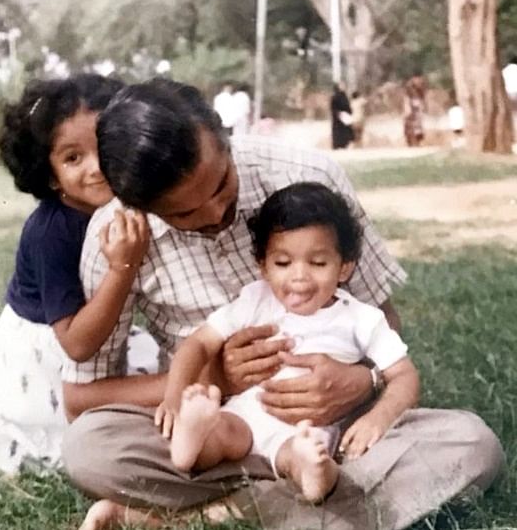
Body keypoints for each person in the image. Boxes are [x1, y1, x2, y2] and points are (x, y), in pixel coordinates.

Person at [60, 78, 504, 530]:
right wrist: (216, 378)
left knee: (471, 445)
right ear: (138, 206)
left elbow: (380, 317)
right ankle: (314, 509)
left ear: (224, 138)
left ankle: (214, 515)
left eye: (222, 185)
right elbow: (80, 399)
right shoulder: (115, 241)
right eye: (185, 215)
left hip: (329, 432)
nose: (217, 215)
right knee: (90, 446)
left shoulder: (306, 174)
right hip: (218, 433)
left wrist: (363, 380)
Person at [0, 73, 152, 474]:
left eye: (105, 147)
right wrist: (123, 267)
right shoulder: (51, 232)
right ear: (48, 174)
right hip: (50, 357)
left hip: (99, 332)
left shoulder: (122, 206)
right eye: (73, 158)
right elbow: (76, 345)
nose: (96, 168)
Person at [155, 182, 419, 505]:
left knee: (304, 457)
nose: (299, 277)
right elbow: (197, 344)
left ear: (345, 267)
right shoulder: (255, 299)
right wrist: (173, 397)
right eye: (283, 263)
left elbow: (404, 375)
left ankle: (314, 476)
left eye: (318, 263)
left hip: (306, 430)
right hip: (246, 415)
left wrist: (377, 418)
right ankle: (191, 438)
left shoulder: (361, 319)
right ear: (262, 265)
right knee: (221, 434)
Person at [403, 73, 427, 147]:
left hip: (417, 106)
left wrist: (421, 107)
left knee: (418, 124)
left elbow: (422, 99)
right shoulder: (409, 87)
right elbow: (406, 98)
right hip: (411, 106)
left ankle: (418, 141)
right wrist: (407, 107)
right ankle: (411, 141)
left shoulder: (420, 88)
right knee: (410, 124)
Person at [330, 83, 354, 149]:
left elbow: (347, 106)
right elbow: (333, 108)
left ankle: (344, 144)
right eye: (342, 86)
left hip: (344, 118)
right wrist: (339, 113)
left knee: (345, 132)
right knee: (338, 133)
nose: (343, 87)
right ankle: (338, 145)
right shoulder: (335, 96)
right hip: (339, 118)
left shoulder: (344, 96)